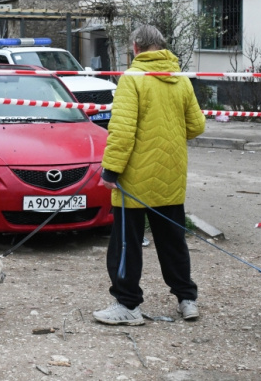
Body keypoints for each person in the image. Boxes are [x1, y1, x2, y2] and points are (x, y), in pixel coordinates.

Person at [93, 26, 206, 326]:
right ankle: (187, 299)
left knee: (126, 244)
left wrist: (111, 170)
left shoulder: (133, 78)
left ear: (135, 47)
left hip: (135, 178)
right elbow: (197, 126)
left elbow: (122, 130)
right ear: (161, 45)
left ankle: (127, 304)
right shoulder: (180, 78)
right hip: (171, 174)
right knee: (173, 242)